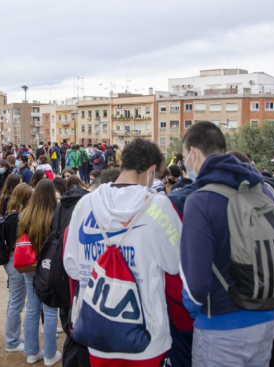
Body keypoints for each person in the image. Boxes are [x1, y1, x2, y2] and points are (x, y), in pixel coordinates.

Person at [64, 138, 181, 366]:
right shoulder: (160, 206)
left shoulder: (84, 204)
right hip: (147, 337)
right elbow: (176, 264)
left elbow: (72, 267)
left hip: (97, 334)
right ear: (151, 171)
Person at [179, 122, 274, 367]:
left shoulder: (200, 200)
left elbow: (196, 284)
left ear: (193, 153)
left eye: (183, 158)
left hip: (221, 327)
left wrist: (194, 310)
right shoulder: (259, 189)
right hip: (265, 318)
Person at [17, 180, 62, 365]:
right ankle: (50, 354)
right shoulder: (55, 214)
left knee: (32, 308)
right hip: (48, 265)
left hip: (29, 264)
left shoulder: (25, 214)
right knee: (50, 309)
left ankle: (31, 351)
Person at [3, 183, 34, 354]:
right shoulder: (20, 217)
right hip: (17, 262)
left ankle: (13, 334)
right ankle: (12, 341)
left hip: (10, 261)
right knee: (16, 302)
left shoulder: (10, 214)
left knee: (13, 301)